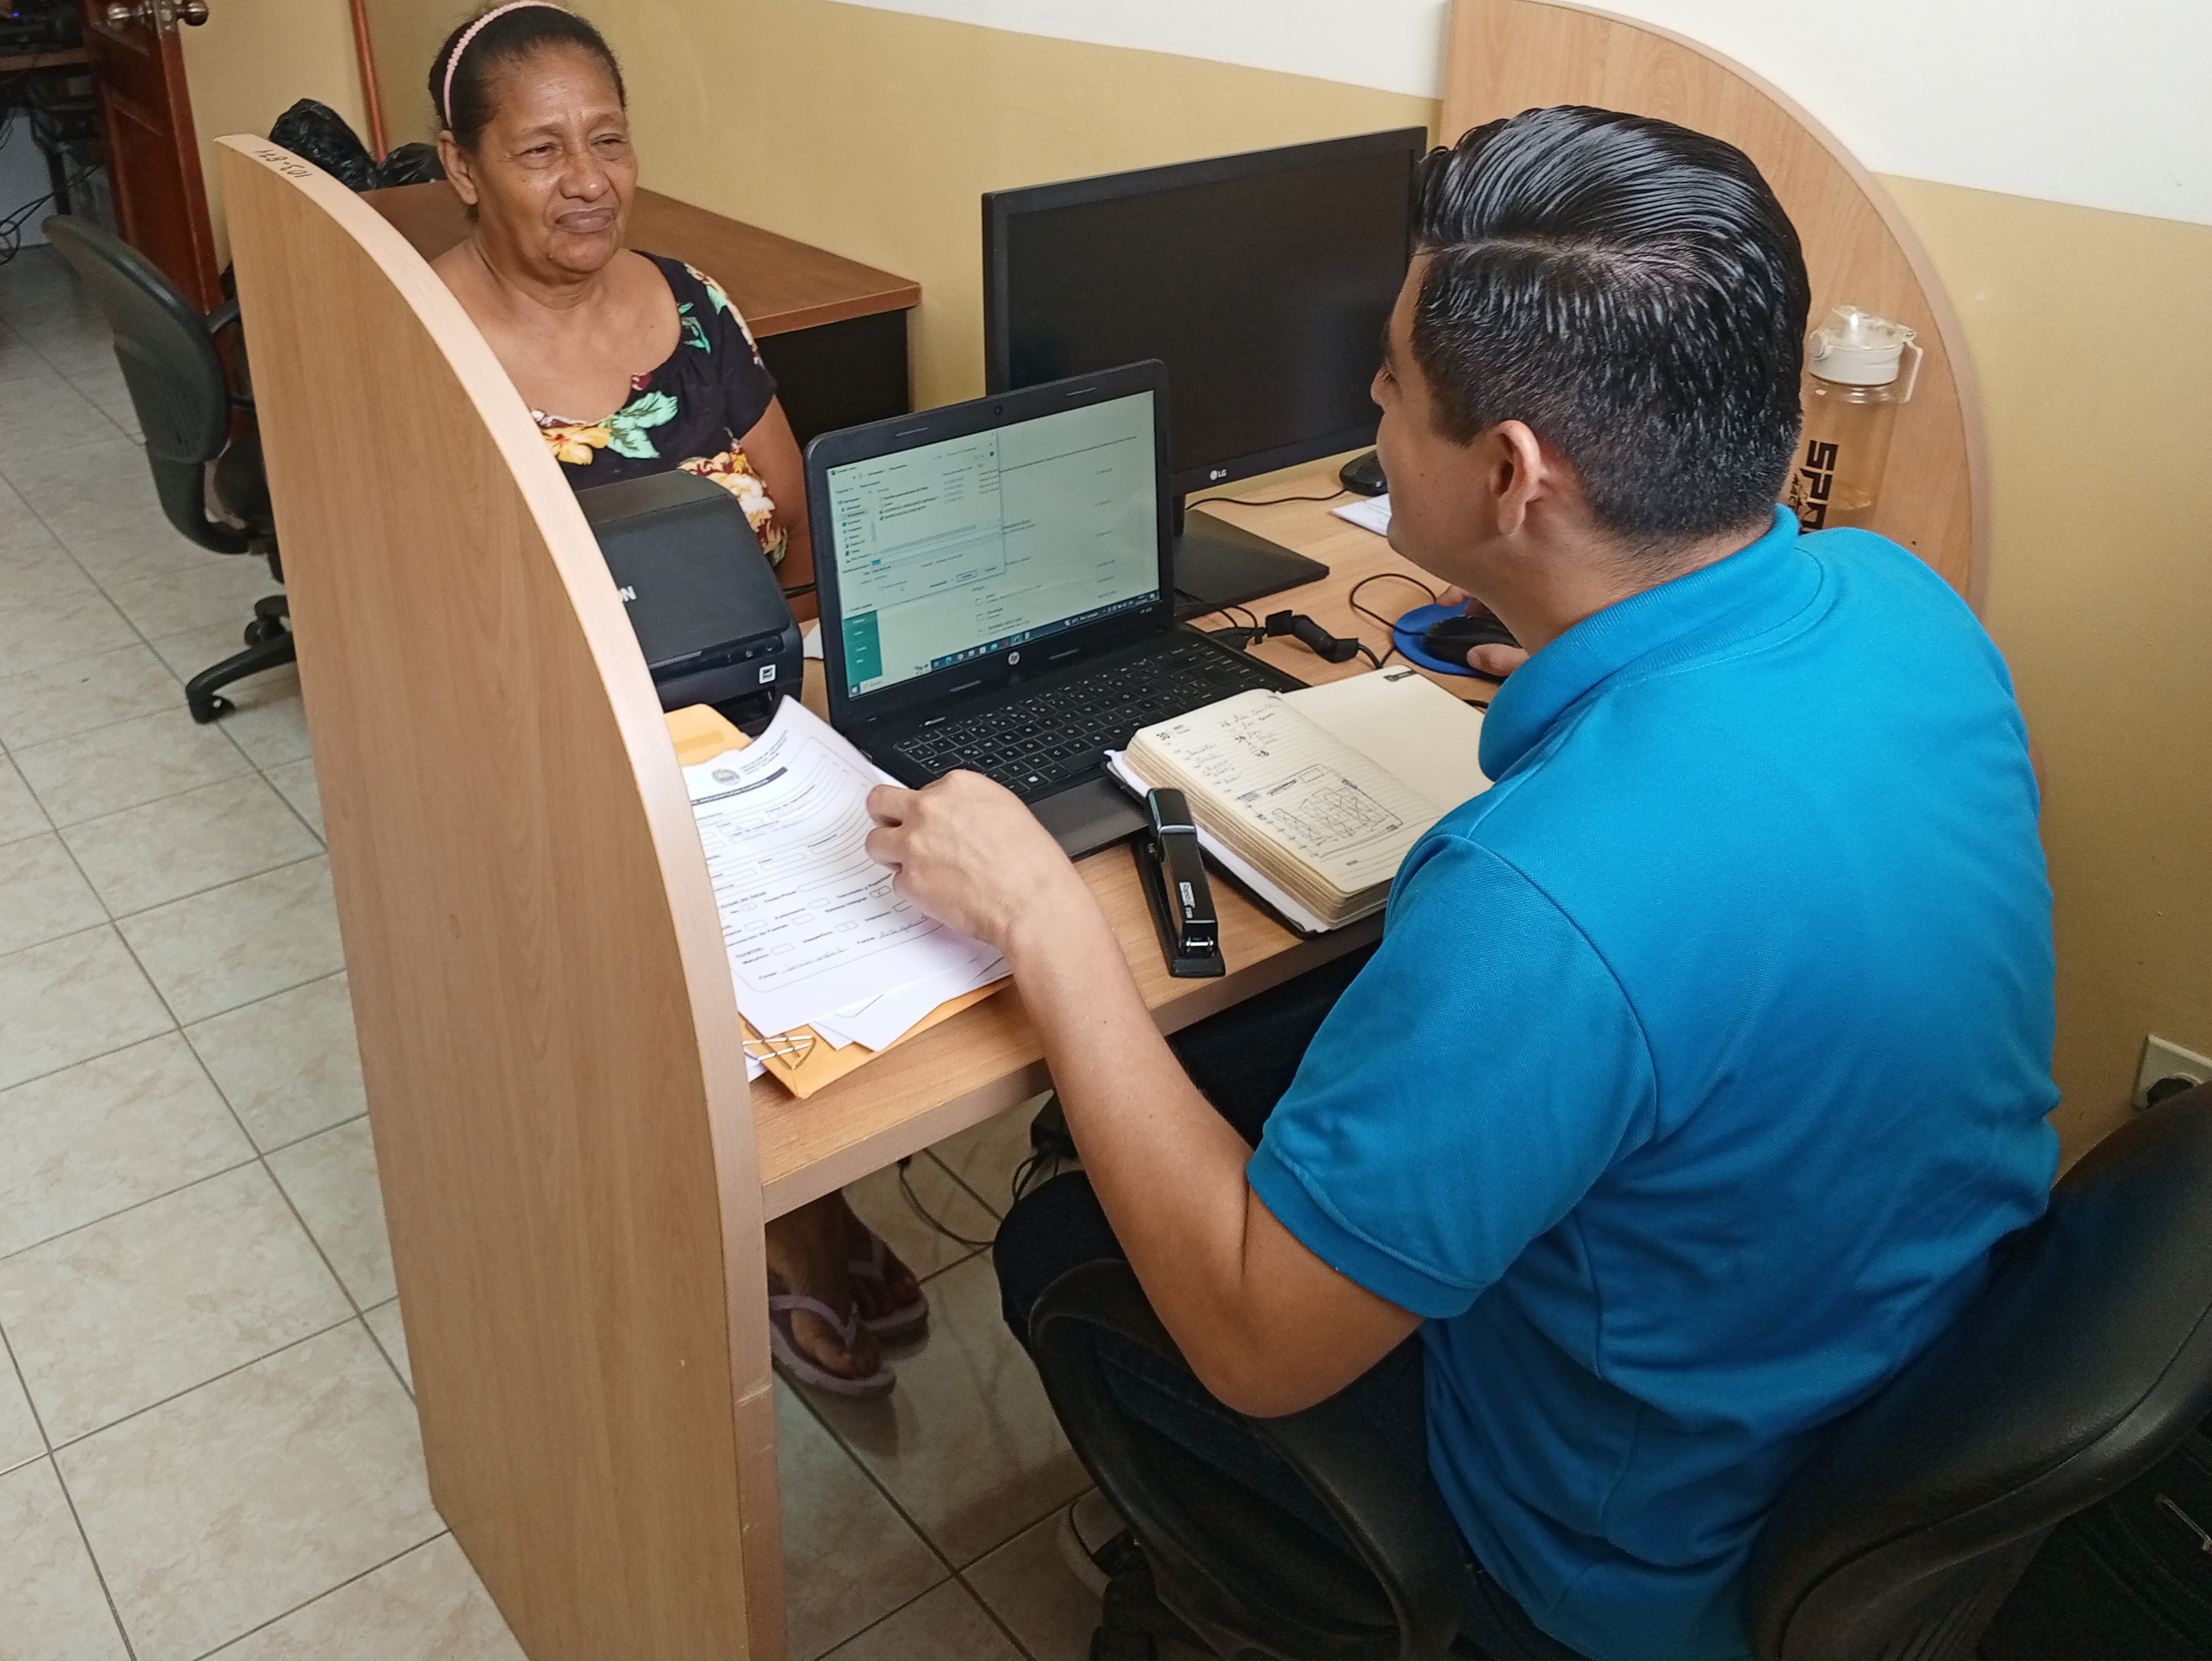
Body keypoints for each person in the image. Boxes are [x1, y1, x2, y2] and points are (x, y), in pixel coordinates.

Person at [861, 107, 2058, 1659]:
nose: (1367, 401)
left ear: (1509, 473)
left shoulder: (1544, 906)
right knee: (1249, 1047)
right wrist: (1561, 666)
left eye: (1388, 382)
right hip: (1862, 1373)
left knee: (1058, 1226)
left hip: (1624, 1564)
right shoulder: (1904, 602)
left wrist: (1042, 919)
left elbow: (1257, 1347)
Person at [426, 0, 913, 1396]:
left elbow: (796, 518)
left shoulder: (693, 302)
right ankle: (796, 1225)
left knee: (879, 874)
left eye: (609, 140)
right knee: (711, 931)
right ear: (463, 168)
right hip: (567, 748)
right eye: (540, 151)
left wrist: (815, 692)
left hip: (753, 705)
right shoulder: (429, 346)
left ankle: (815, 1188)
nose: (587, 181)